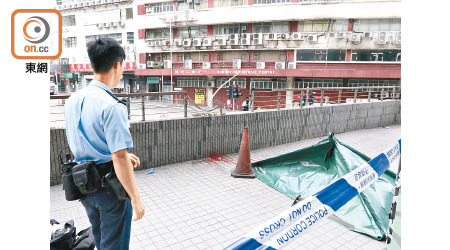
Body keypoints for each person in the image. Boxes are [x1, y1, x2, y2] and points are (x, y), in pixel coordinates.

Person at [64, 38, 145, 250]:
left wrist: (122, 155)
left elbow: (84, 141)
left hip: (83, 184)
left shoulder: (73, 100)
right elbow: (118, 157)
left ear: (92, 65)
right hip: (110, 189)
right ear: (118, 65)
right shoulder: (112, 106)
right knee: (114, 245)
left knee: (100, 240)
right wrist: (136, 199)